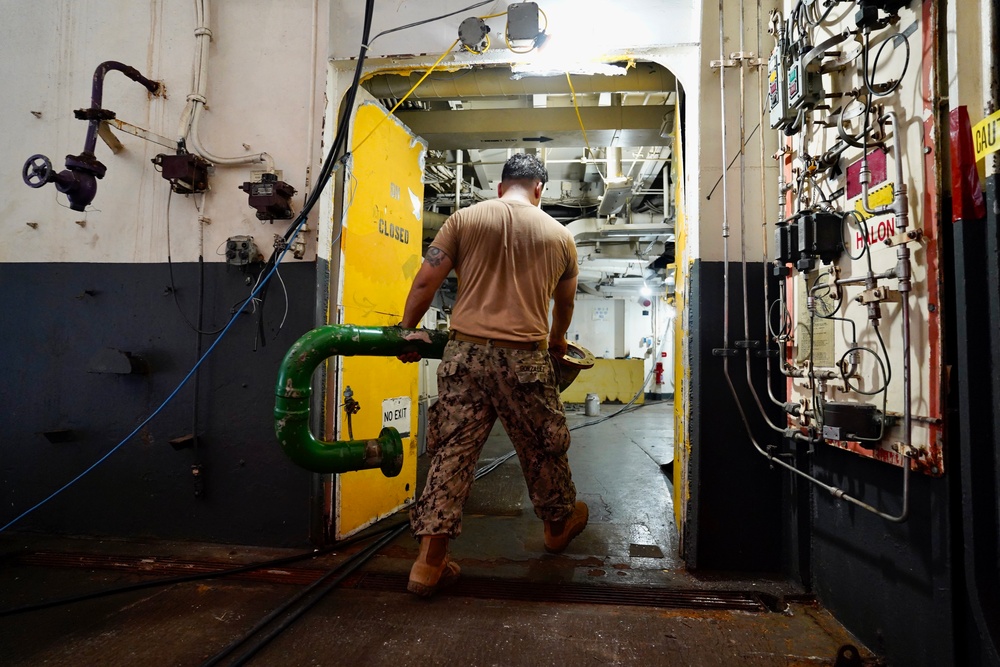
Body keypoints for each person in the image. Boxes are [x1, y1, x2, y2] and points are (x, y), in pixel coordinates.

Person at [398, 152, 588, 597]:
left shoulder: (464, 219)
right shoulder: (561, 236)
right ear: (539, 189)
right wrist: (558, 343)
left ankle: (428, 564)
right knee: (543, 447)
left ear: (501, 186)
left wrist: (407, 331)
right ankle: (557, 528)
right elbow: (564, 306)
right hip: (525, 359)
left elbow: (426, 280)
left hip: (464, 356)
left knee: (452, 453)